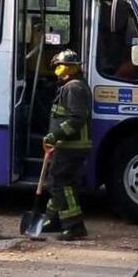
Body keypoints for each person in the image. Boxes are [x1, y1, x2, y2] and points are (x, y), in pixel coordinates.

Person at [40, 49, 93, 240]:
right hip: (67, 145)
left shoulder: (74, 88)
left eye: (59, 66)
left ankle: (74, 226)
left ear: (69, 68)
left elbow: (77, 118)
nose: (57, 70)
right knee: (56, 182)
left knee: (62, 184)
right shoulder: (71, 86)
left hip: (72, 146)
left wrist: (55, 135)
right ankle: (54, 219)